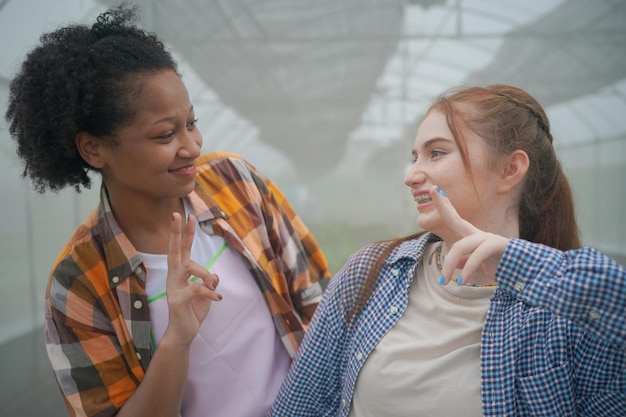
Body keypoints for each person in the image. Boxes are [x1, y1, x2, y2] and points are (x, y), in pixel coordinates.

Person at [5, 5, 330, 417]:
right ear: (94, 148)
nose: (192, 146)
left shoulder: (237, 182)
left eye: (191, 123)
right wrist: (177, 339)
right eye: (164, 134)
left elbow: (315, 297)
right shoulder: (77, 284)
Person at [269, 84, 626, 416]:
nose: (411, 175)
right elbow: (299, 408)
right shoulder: (368, 274)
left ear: (510, 169)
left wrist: (518, 265)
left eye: (436, 153)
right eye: (415, 156)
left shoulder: (568, 317)